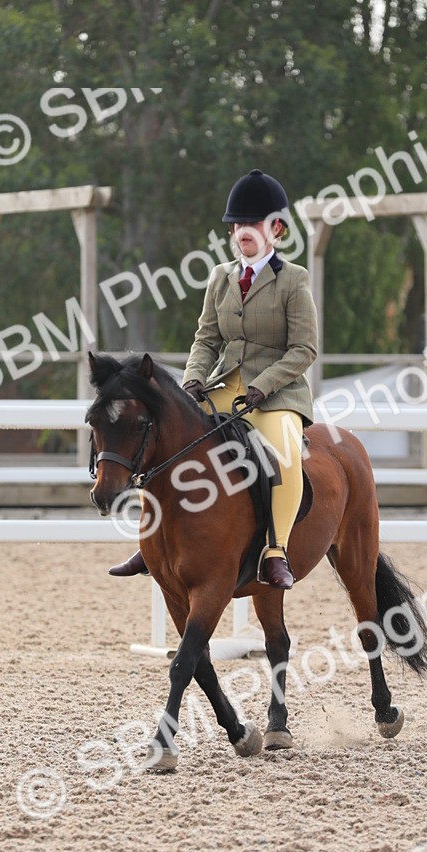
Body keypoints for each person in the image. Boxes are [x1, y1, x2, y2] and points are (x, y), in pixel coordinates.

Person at [109, 168, 318, 589]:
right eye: (237, 224)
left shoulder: (293, 279)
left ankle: (275, 550)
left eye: (253, 224)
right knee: (165, 436)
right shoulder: (220, 277)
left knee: (286, 457)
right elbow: (206, 339)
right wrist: (191, 381)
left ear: (275, 228)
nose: (243, 230)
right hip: (225, 388)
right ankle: (153, 542)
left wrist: (265, 385)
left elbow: (304, 350)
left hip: (276, 395)